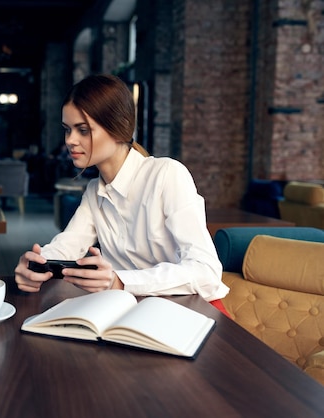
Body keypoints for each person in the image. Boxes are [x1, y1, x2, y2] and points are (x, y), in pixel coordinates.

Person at [14, 74, 229, 314]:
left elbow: (206, 271)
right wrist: (37, 263)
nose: (70, 141)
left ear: (118, 128)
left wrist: (120, 281)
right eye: (67, 130)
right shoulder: (95, 191)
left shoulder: (167, 175)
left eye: (83, 130)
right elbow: (68, 245)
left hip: (196, 312)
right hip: (138, 313)